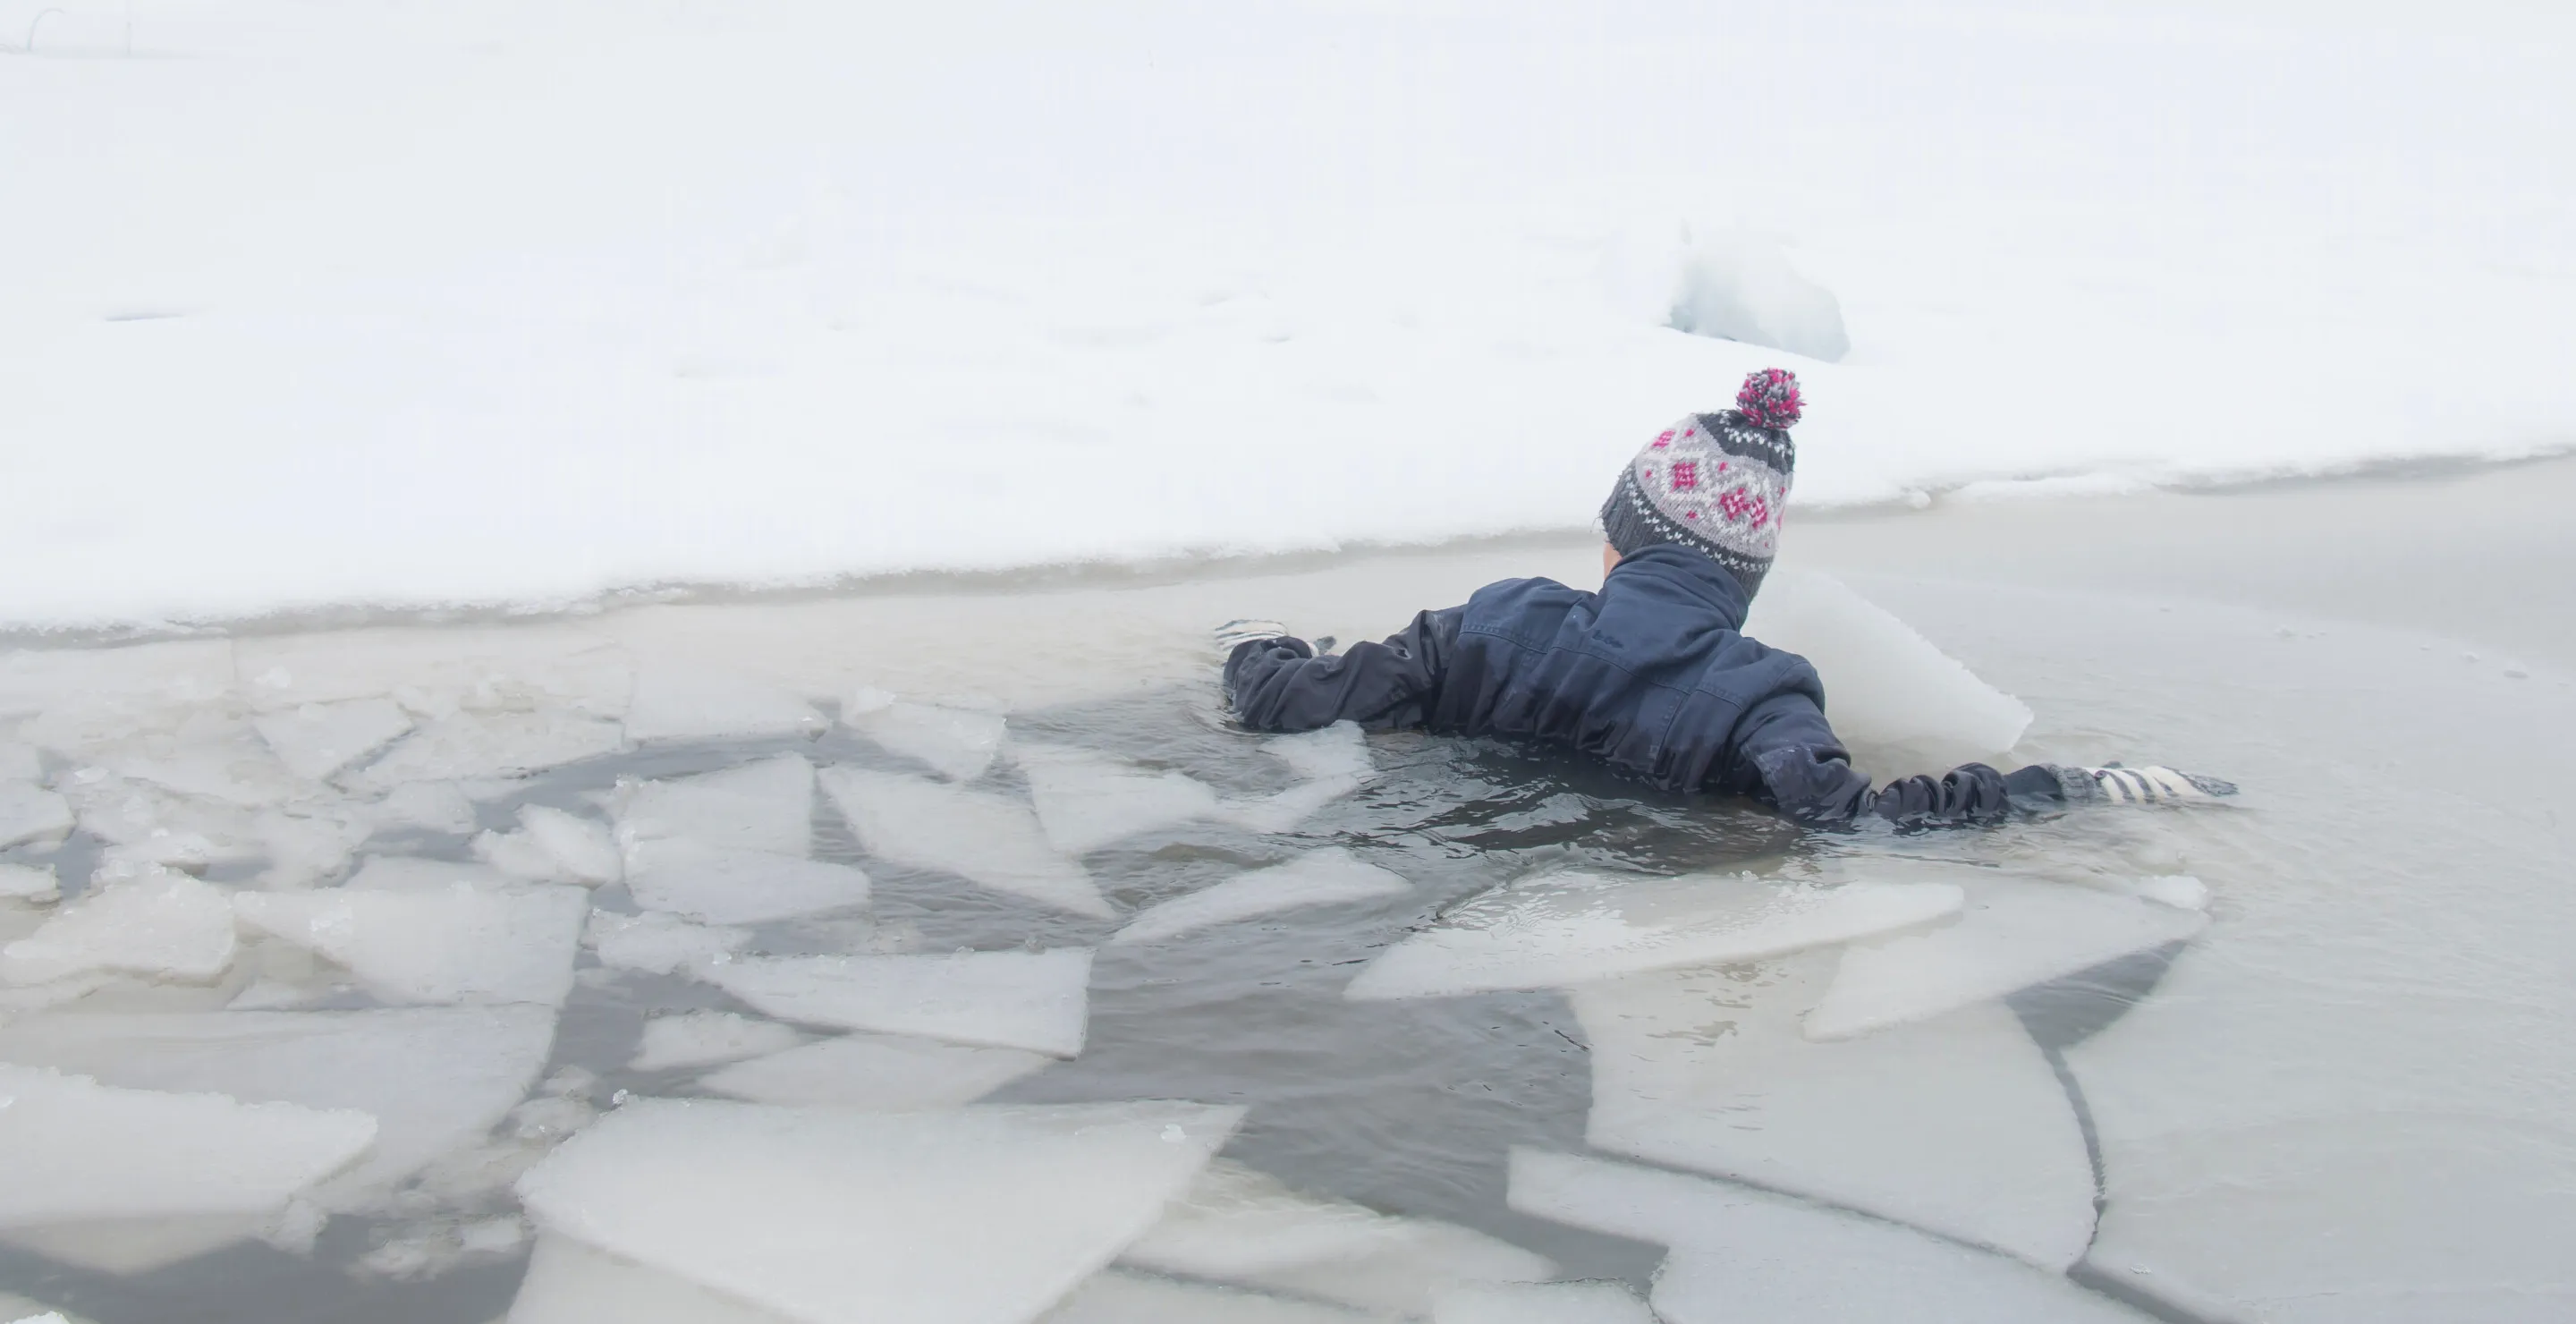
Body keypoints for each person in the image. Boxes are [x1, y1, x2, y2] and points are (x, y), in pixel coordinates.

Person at [1216, 368, 2232, 828]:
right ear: (1743, 579)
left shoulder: (1498, 623)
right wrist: (2065, 788)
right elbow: (1860, 823)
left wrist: (1262, 642)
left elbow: (1282, 701)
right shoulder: (1764, 698)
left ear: (1619, 541)